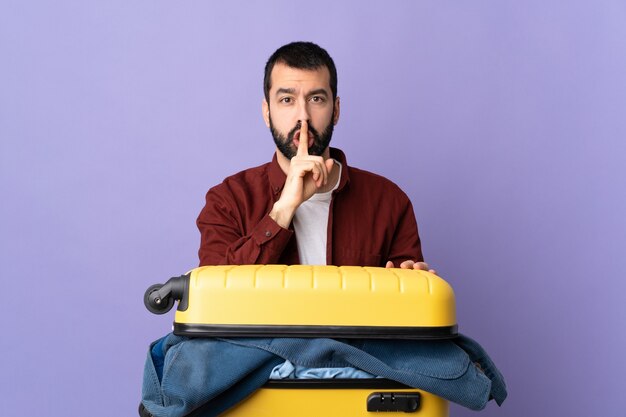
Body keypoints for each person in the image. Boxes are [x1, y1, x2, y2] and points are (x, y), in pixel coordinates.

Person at [197, 41, 433, 272]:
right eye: (287, 100)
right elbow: (216, 298)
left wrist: (414, 284)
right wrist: (283, 210)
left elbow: (409, 306)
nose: (303, 117)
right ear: (267, 113)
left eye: (316, 99)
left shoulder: (390, 203)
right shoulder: (227, 202)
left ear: (336, 110)